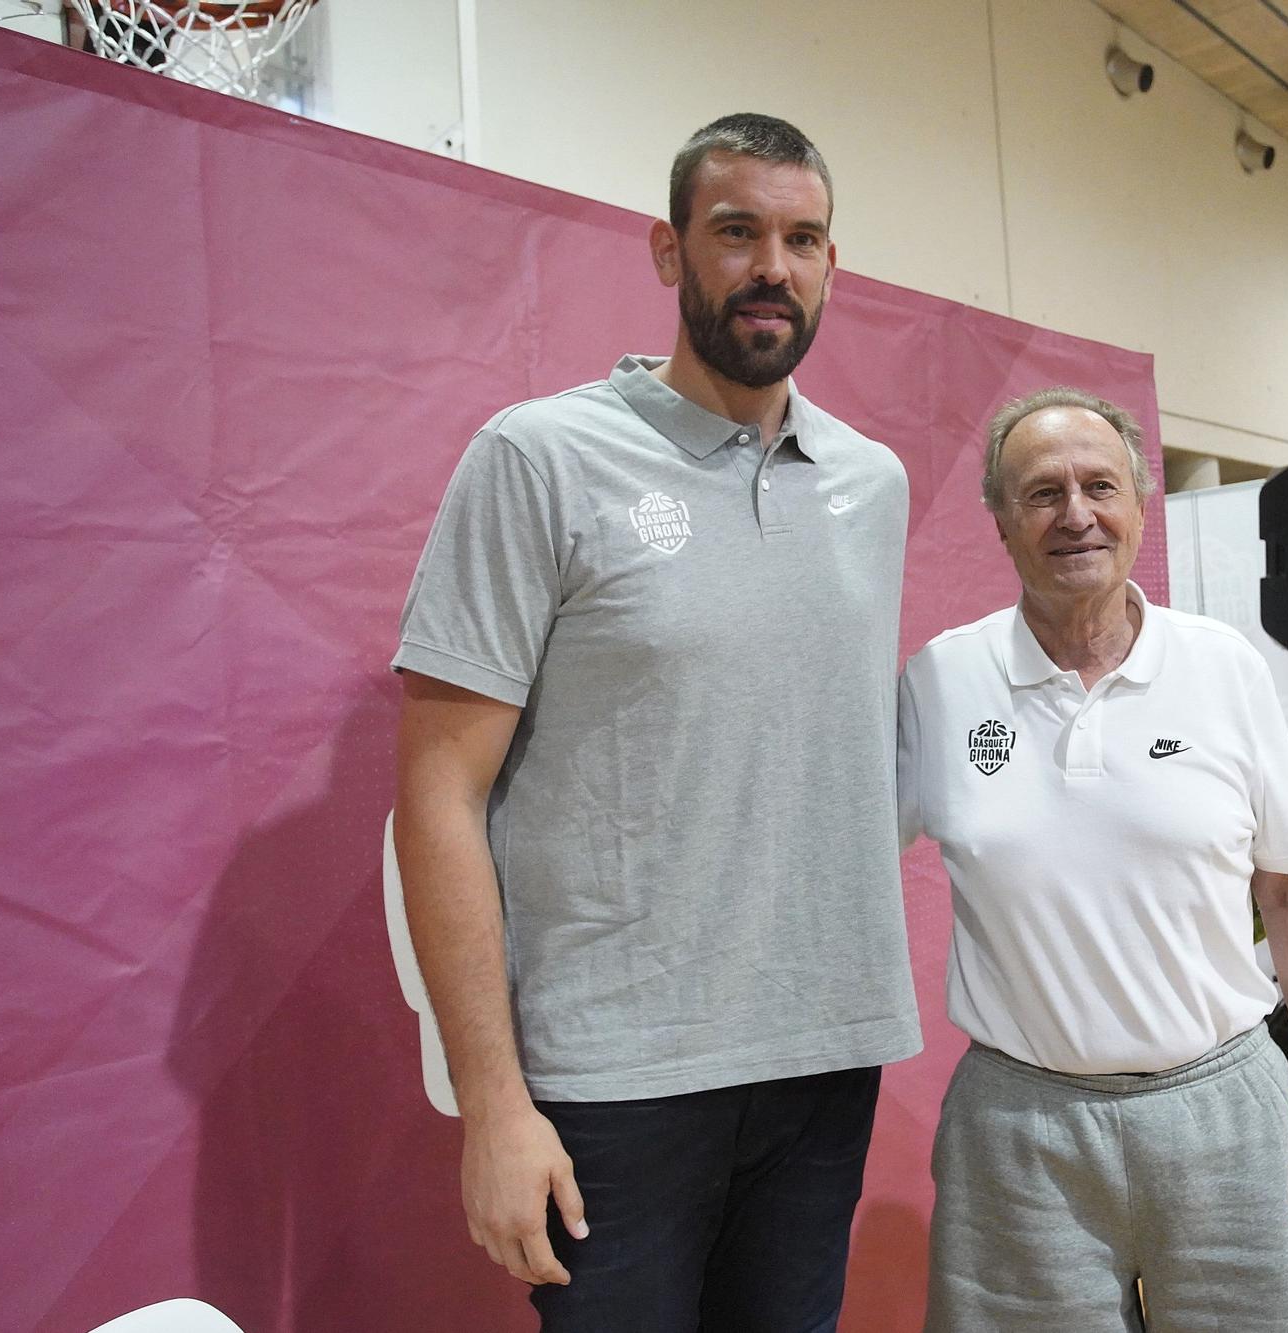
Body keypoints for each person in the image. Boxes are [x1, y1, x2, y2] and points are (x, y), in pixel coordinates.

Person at [390, 113, 921, 1331]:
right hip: (613, 1085)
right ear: (668, 253)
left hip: (823, 1061)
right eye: (735, 232)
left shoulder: (869, 483)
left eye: (802, 238)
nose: (771, 268)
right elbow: (436, 792)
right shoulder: (541, 456)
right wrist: (494, 1104)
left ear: (831, 262)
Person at [898, 388, 1288, 1332]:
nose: (1076, 514)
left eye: (1100, 485)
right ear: (1000, 519)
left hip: (1224, 1113)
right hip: (1018, 1133)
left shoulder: (1224, 665)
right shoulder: (942, 678)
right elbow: (844, 860)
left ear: (1141, 503)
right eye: (1041, 493)